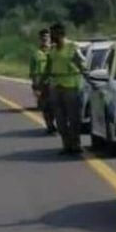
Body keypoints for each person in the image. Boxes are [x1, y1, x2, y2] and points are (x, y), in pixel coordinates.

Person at [43, 22, 87, 154]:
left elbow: (83, 64)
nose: (51, 36)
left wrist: (84, 70)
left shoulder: (72, 47)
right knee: (60, 119)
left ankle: (76, 144)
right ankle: (66, 145)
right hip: (56, 88)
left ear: (60, 34)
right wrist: (42, 83)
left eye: (53, 34)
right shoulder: (52, 50)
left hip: (71, 88)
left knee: (74, 118)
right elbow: (48, 68)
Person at [29, 28, 56, 133]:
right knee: (45, 106)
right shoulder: (36, 54)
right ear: (39, 39)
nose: (45, 40)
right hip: (42, 84)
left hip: (54, 82)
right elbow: (33, 71)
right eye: (42, 38)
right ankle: (50, 125)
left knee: (56, 105)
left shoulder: (54, 52)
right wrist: (35, 86)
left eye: (47, 37)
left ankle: (55, 122)